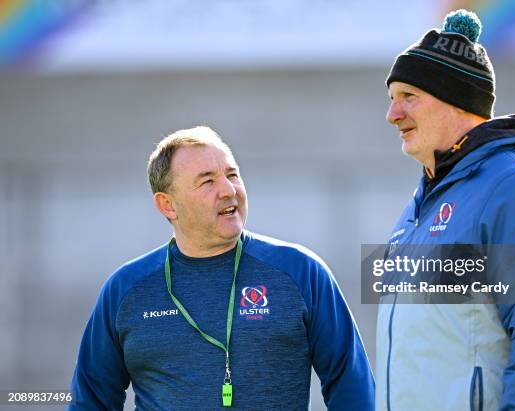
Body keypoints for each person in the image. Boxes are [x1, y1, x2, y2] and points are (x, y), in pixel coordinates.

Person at [69, 126, 375, 410]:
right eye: (207, 181)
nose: (228, 190)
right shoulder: (125, 289)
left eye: (232, 175)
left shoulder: (301, 272)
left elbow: (352, 385)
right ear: (167, 205)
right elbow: (91, 399)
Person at [376, 9, 515, 411]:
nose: (392, 115)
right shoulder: (419, 206)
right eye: (392, 99)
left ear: (456, 100)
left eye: (408, 97)